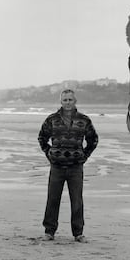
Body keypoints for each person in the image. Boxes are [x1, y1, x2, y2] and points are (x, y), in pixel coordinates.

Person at [38, 89, 98, 243]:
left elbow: (93, 140)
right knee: (53, 199)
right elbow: (42, 138)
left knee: (76, 200)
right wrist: (49, 153)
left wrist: (84, 156)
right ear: (61, 102)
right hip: (56, 167)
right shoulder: (51, 120)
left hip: (75, 168)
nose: (68, 103)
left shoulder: (84, 120)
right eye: (65, 100)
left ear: (75, 101)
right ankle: (49, 232)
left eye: (70, 100)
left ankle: (78, 233)